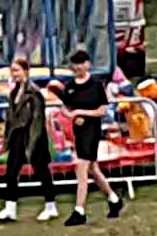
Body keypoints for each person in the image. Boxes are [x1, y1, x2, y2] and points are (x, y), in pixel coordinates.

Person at [52, 47, 123, 224]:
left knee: (81, 169)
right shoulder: (69, 87)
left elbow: (101, 110)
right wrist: (72, 116)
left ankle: (79, 210)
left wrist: (81, 113)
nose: (78, 67)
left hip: (92, 131)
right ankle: (114, 200)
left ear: (87, 65)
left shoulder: (96, 85)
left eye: (81, 64)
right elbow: (66, 108)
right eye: (75, 64)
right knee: (93, 169)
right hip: (79, 132)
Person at [0, 58, 59, 224]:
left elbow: (37, 120)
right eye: (12, 71)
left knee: (41, 171)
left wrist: (32, 143)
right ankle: (10, 208)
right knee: (11, 171)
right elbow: (11, 118)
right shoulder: (14, 92)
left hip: (33, 136)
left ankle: (50, 205)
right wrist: (8, 138)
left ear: (25, 71)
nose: (14, 74)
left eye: (17, 70)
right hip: (17, 136)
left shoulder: (34, 93)